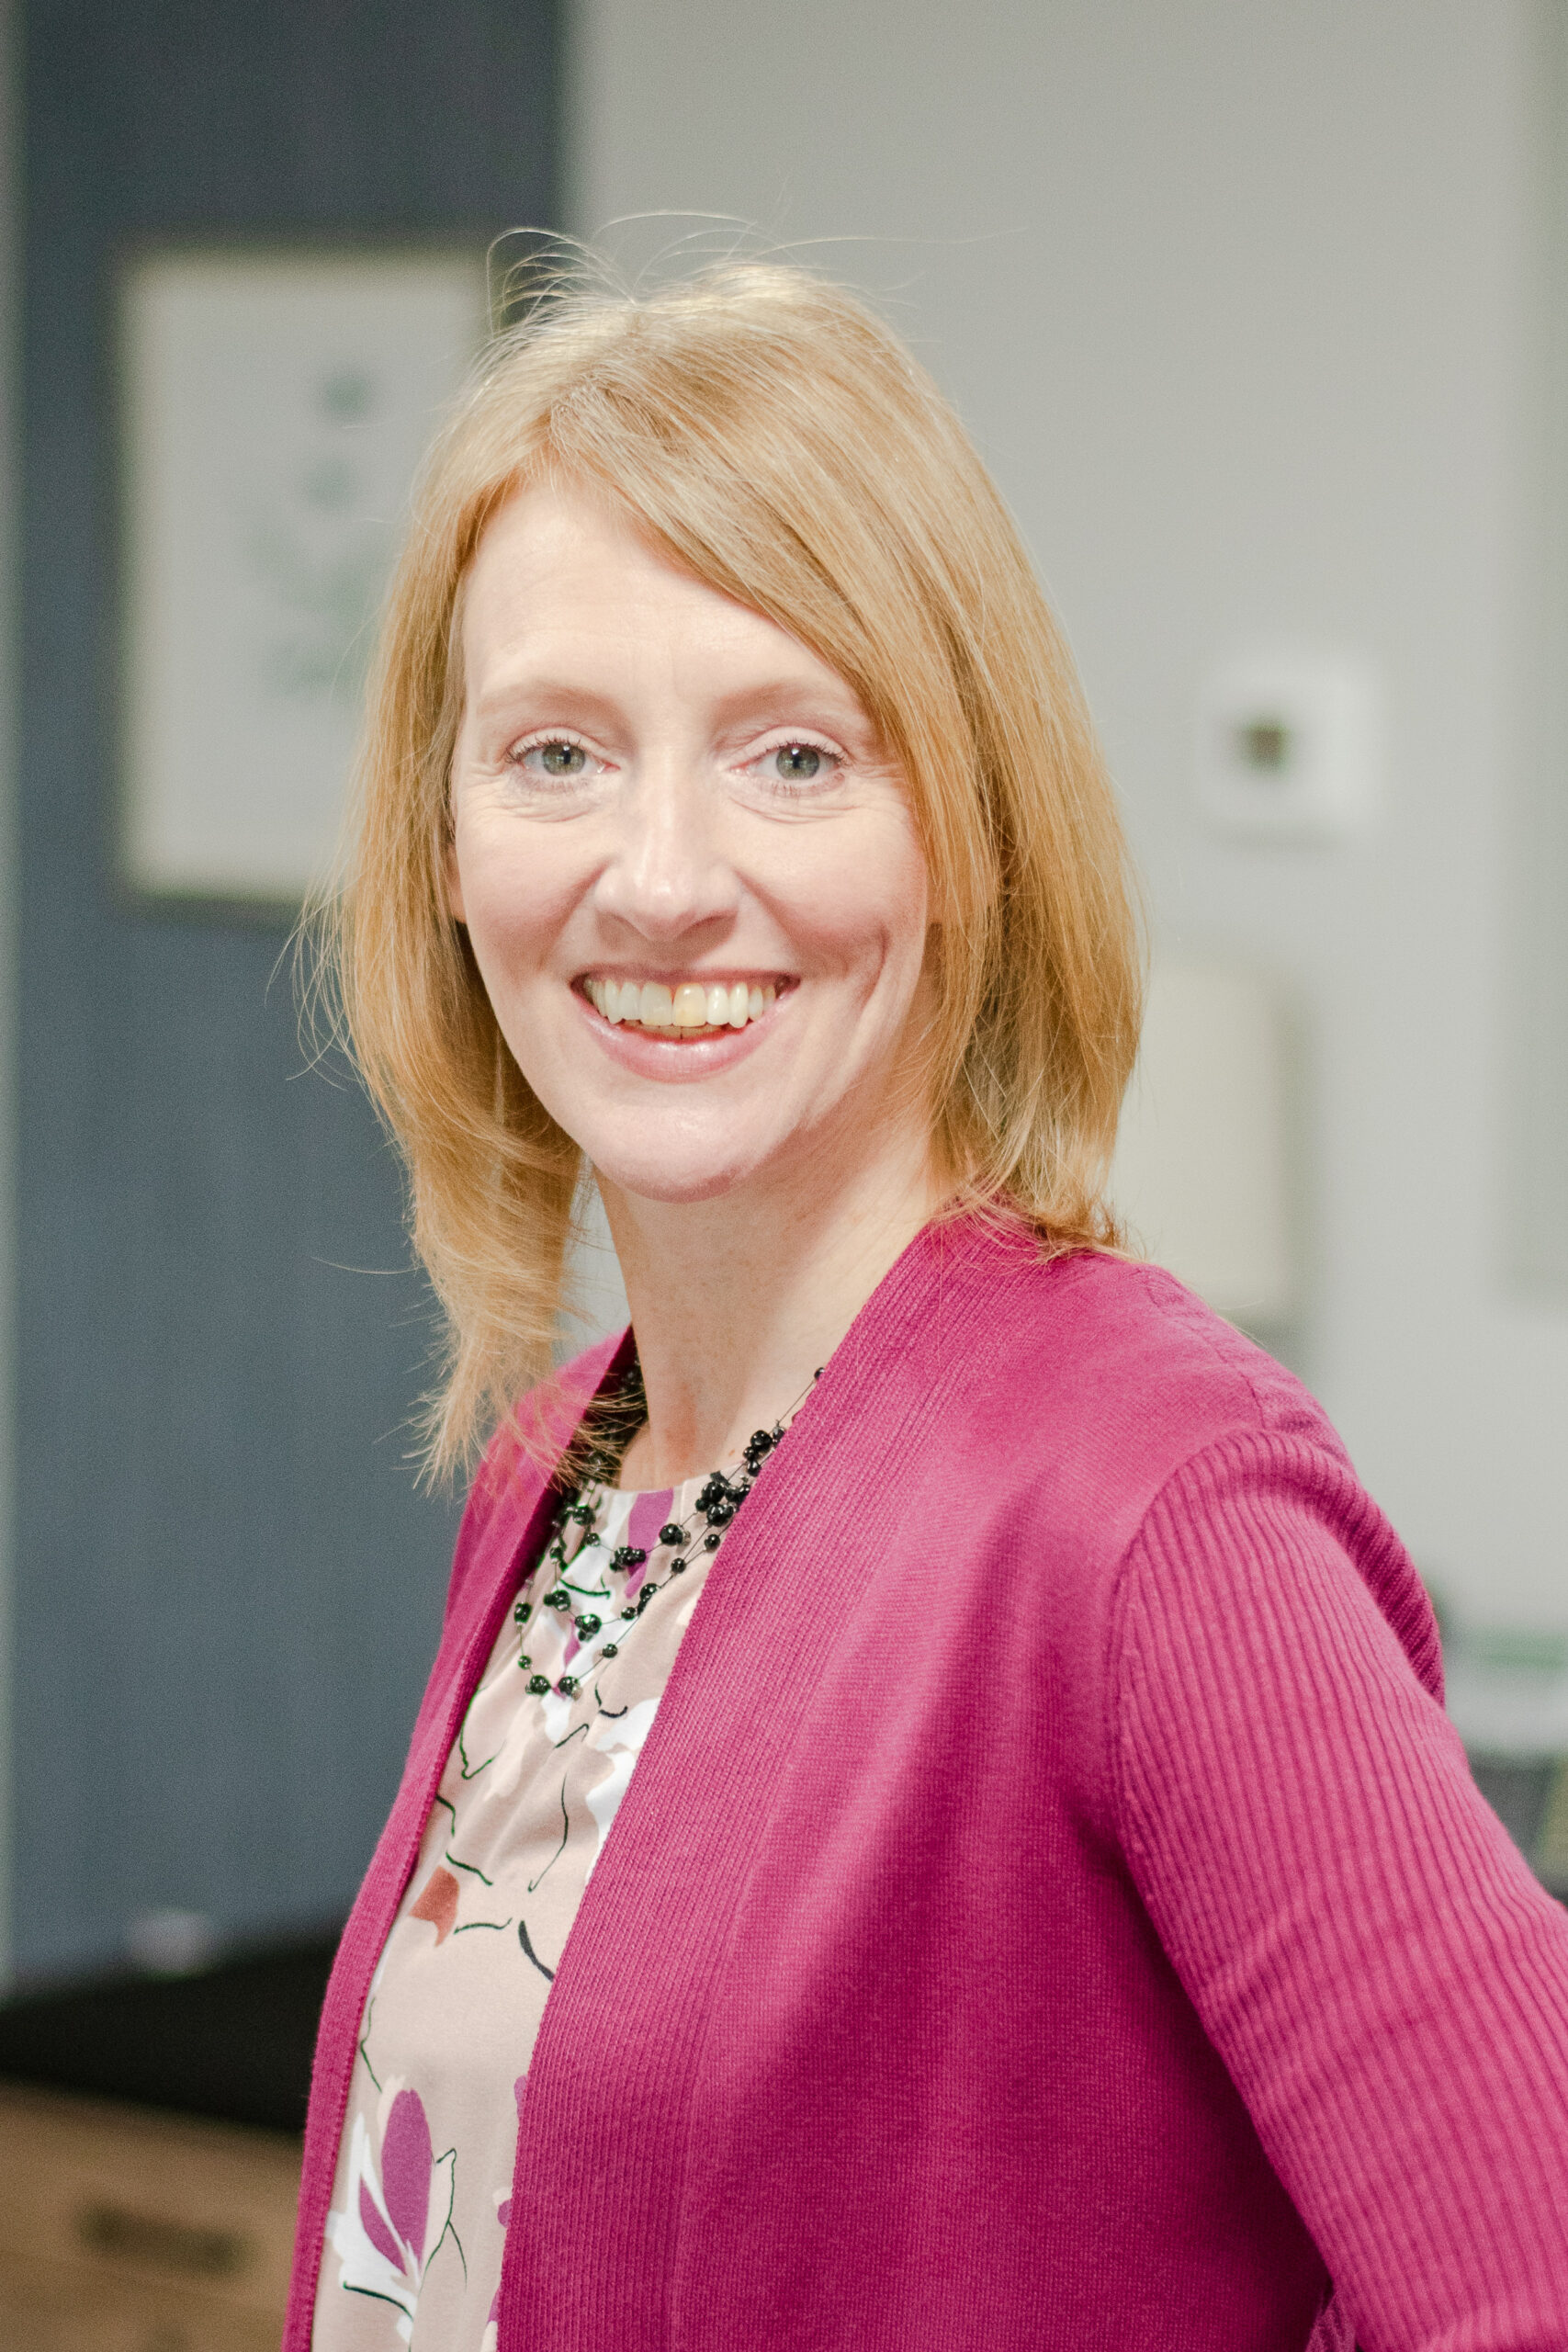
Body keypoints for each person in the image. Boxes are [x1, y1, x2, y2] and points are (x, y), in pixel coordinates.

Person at [288, 262, 1568, 2352]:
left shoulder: (1153, 1514)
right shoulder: (573, 1461)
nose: (662, 874)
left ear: (962, 829)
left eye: (793, 755)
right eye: (555, 753)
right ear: (442, 837)